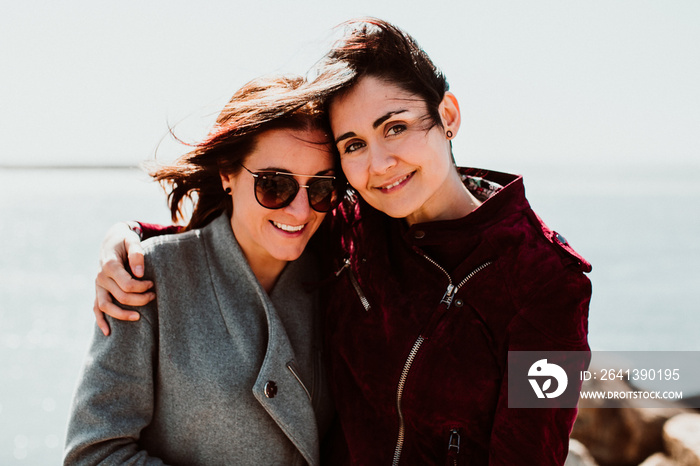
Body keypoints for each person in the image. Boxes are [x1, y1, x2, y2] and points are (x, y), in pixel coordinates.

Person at [92, 19, 592, 466]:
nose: (378, 165)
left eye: (395, 127)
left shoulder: (552, 285)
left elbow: (536, 454)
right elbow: (253, 232)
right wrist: (131, 242)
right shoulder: (347, 224)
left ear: (449, 116)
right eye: (353, 144)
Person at [64, 75, 340, 465]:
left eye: (320, 188)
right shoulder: (148, 277)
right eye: (274, 185)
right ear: (228, 173)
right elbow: (94, 455)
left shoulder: (341, 281)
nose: (300, 210)